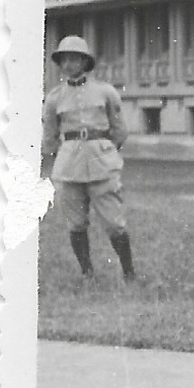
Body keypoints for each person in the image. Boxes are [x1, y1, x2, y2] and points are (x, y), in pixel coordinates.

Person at [41, 35, 136, 281]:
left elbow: (120, 130)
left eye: (74, 59)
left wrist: (105, 150)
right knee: (75, 223)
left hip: (101, 162)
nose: (69, 64)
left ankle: (129, 272)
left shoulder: (105, 92)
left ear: (85, 62)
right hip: (69, 165)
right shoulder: (54, 98)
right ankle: (87, 272)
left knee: (114, 222)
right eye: (64, 60)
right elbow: (50, 136)